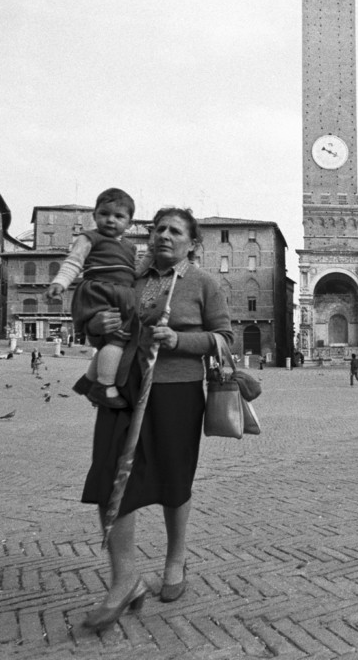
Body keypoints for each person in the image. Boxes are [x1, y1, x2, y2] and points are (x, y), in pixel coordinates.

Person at [79, 207, 233, 630]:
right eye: (159, 229)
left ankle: (175, 559)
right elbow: (99, 329)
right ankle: (125, 579)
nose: (164, 235)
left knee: (173, 478)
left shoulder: (204, 283)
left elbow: (224, 339)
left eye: (175, 231)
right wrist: (97, 323)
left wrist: (179, 339)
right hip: (124, 389)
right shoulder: (128, 278)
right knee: (110, 477)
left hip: (177, 391)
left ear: (192, 243)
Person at [48, 188, 139, 409]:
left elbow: (134, 271)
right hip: (99, 292)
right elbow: (74, 261)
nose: (110, 220)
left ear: (129, 223)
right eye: (104, 214)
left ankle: (88, 381)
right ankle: (104, 387)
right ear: (94, 215)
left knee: (112, 341)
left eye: (118, 216)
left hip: (121, 294)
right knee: (117, 340)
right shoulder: (89, 238)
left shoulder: (130, 247)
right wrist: (61, 282)